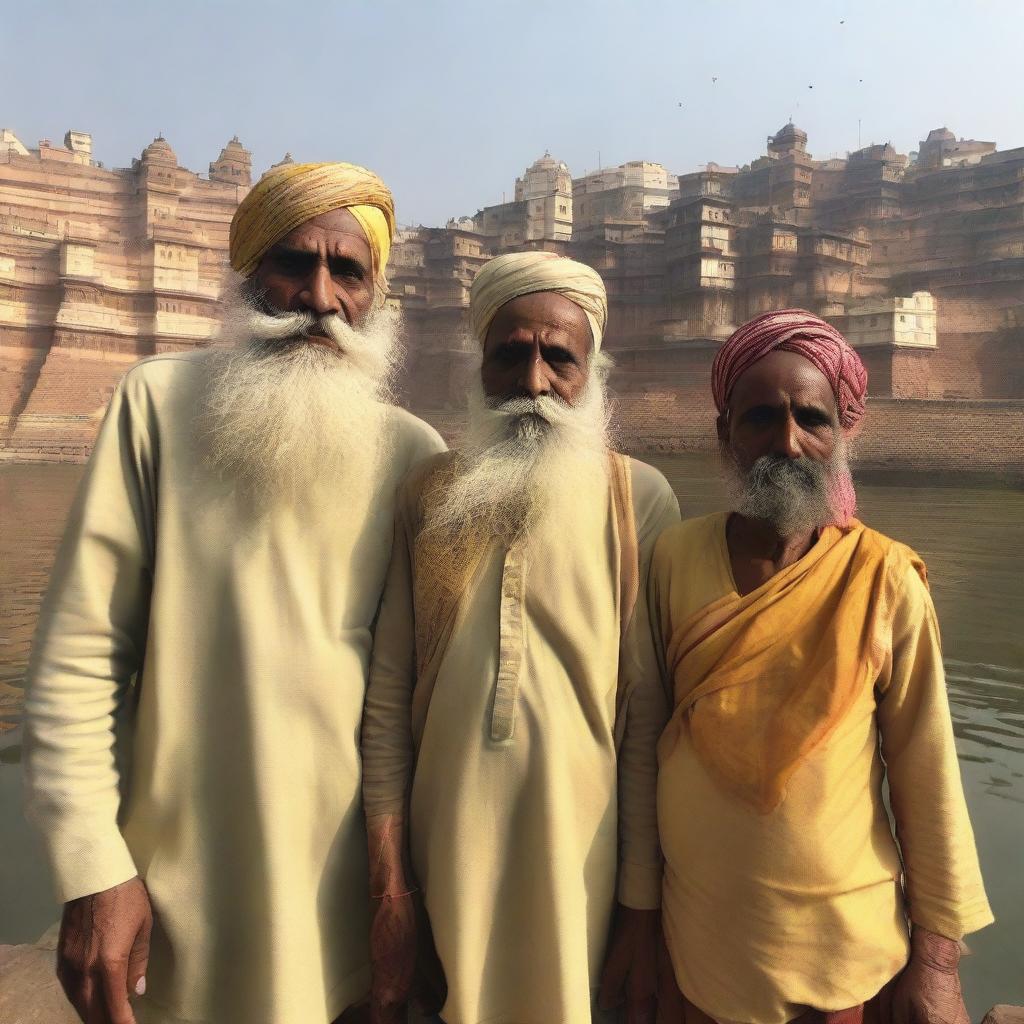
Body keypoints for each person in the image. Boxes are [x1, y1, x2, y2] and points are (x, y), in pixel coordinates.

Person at [23, 161, 445, 1024]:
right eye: (293, 263)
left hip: (343, 898)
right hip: (177, 895)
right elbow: (79, 660)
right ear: (250, 274)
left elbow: (406, 705)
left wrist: (400, 891)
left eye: (348, 271)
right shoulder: (157, 405)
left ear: (376, 299)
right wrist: (92, 865)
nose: (318, 295)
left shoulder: (411, 452)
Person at [361, 251, 680, 1024]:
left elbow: (644, 721)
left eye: (559, 358)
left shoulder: (636, 497)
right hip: (447, 852)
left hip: (583, 859)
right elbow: (389, 701)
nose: (534, 381)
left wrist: (639, 904)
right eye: (511, 354)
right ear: (480, 366)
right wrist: (390, 883)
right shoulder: (428, 494)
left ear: (590, 372)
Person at [650, 310, 993, 1024]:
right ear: (724, 434)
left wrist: (936, 961)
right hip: (698, 947)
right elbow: (640, 744)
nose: (788, 441)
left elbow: (927, 779)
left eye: (813, 418)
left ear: (845, 433)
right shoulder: (671, 559)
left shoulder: (886, 578)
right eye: (761, 419)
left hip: (844, 957)